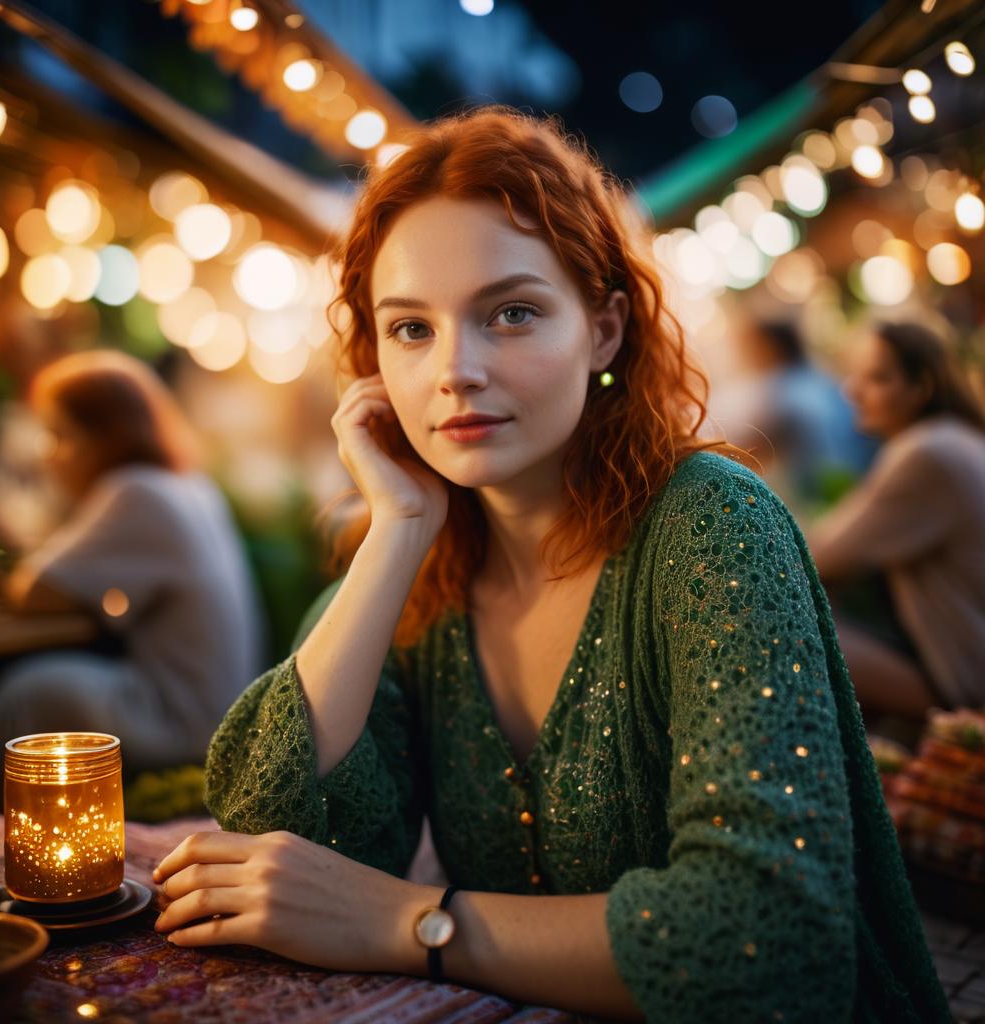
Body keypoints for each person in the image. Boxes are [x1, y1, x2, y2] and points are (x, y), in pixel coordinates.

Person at [151, 107, 949, 1023]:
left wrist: (414, 921)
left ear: (604, 331)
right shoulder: (421, 571)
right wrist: (398, 529)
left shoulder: (710, 528)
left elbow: (765, 942)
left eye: (513, 313)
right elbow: (273, 832)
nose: (456, 371)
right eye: (410, 330)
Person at [0, 350, 264, 809]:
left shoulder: (136, 492)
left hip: (179, 714)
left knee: (27, 690)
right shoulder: (186, 485)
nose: (49, 455)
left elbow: (31, 590)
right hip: (221, 706)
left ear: (103, 436)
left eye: (59, 435)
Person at [808, 320, 985, 722]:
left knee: (788, 632)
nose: (851, 390)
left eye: (877, 378)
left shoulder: (926, 454)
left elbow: (817, 556)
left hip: (966, 681)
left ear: (921, 387)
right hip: (953, 660)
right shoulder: (955, 438)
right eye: (855, 374)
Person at [729, 317, 875, 511]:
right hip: (859, 477)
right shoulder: (818, 378)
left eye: (751, 346)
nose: (746, 355)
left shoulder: (781, 389)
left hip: (825, 490)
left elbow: (749, 452)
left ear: (770, 347)